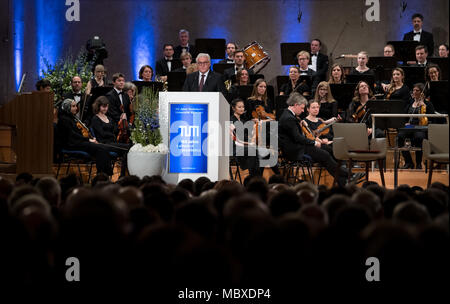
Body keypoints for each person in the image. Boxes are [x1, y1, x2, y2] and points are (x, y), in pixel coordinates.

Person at [278, 93, 363, 187]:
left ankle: (343, 181)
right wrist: (314, 142)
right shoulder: (289, 118)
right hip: (295, 151)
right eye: (302, 108)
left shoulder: (289, 115)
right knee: (324, 155)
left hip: (298, 147)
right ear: (295, 105)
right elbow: (298, 138)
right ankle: (349, 175)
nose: (302, 111)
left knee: (327, 149)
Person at [56, 98, 113, 176]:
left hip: (77, 142)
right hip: (71, 144)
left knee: (102, 148)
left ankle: (105, 174)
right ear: (67, 107)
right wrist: (88, 140)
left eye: (76, 106)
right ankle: (102, 175)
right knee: (100, 148)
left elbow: (77, 135)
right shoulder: (63, 119)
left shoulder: (72, 117)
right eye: (73, 106)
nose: (76, 108)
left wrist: (88, 139)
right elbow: (73, 135)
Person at [90, 96, 131, 177]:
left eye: (107, 106)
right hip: (103, 144)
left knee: (130, 147)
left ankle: (123, 174)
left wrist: (121, 121)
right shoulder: (95, 119)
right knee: (128, 148)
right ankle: (122, 176)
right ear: (98, 106)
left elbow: (115, 130)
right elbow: (102, 133)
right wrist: (112, 134)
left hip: (112, 143)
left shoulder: (109, 118)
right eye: (103, 106)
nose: (106, 108)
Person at [397, 83, 435, 170]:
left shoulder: (428, 104)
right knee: (399, 137)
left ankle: (418, 163)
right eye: (413, 90)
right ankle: (408, 162)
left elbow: (432, 117)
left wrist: (423, 107)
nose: (414, 92)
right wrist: (405, 122)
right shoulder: (410, 103)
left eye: (417, 90)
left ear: (422, 92)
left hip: (421, 127)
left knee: (419, 137)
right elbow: (405, 116)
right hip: (409, 126)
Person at [229, 98, 261, 177]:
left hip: (245, 146)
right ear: (233, 108)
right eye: (239, 107)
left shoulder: (243, 121)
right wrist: (249, 143)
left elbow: (248, 136)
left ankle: (256, 177)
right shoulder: (231, 120)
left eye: (243, 107)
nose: (242, 109)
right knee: (254, 150)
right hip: (236, 147)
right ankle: (253, 177)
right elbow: (236, 139)